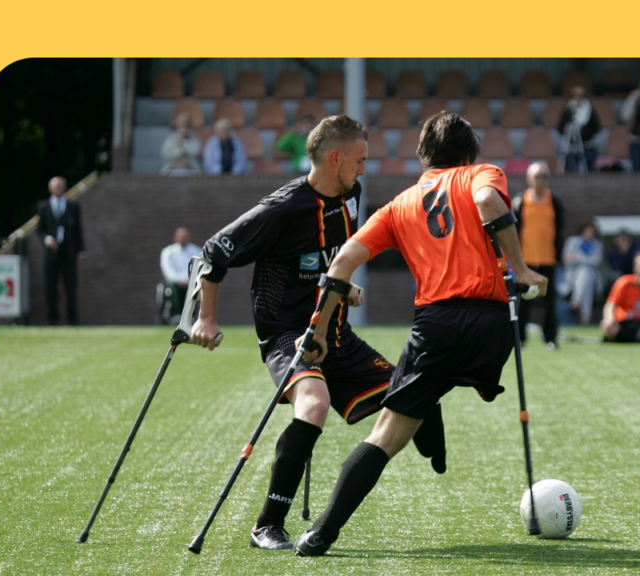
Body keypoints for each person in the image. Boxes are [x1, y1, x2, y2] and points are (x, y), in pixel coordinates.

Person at [290, 110, 547, 556]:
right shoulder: (481, 173)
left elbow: (343, 263)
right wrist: (521, 269)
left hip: (437, 327)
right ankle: (430, 412)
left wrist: (317, 328)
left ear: (425, 157)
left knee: (387, 434)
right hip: (490, 326)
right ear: (468, 153)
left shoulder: (399, 205)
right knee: (440, 381)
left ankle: (321, 534)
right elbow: (489, 202)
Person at [188, 115, 447, 551]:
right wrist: (205, 319)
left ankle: (430, 438)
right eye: (360, 160)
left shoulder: (351, 195)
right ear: (335, 158)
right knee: (314, 403)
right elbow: (213, 253)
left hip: (337, 331)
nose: (365, 168)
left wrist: (343, 287)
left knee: (417, 391)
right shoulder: (283, 208)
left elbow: (332, 259)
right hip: (288, 335)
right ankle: (267, 525)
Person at [511, 161, 564, 349]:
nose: (540, 180)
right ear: (529, 179)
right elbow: (514, 233)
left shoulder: (554, 202)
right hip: (526, 261)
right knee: (523, 302)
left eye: (544, 176)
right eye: (537, 176)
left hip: (548, 259)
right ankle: (519, 338)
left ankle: (550, 338)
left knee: (550, 302)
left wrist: (559, 256)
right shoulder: (519, 202)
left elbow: (559, 230)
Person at [36, 176, 85, 325]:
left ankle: (73, 321)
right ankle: (52, 321)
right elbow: (40, 230)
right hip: (51, 255)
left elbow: (78, 231)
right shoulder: (43, 206)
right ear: (50, 189)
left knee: (71, 287)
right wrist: (47, 240)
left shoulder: (73, 206)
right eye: (56, 186)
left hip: (69, 253)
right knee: (51, 287)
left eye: (61, 186)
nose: (59, 188)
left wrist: (81, 251)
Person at [562, 219, 603, 325]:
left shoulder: (597, 245)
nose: (591, 234)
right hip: (572, 276)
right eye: (589, 231)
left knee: (585, 272)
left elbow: (597, 261)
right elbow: (567, 259)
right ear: (583, 230)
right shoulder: (572, 241)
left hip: (592, 276)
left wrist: (577, 257)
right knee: (585, 275)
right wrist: (587, 259)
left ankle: (576, 301)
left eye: (593, 231)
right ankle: (586, 316)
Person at [159, 227, 202, 322]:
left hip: (190, 281)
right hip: (174, 282)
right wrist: (178, 280)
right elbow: (167, 269)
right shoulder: (168, 252)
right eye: (181, 236)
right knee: (175, 289)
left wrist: (188, 280)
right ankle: (178, 315)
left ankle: (190, 315)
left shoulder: (196, 251)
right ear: (176, 238)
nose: (183, 239)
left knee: (192, 289)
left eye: (185, 236)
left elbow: (198, 268)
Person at [558, 85, 601, 173]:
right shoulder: (568, 110)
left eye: (581, 94)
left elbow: (597, 127)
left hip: (587, 145)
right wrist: (570, 134)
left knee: (588, 169)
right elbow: (560, 127)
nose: (578, 97)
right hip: (571, 147)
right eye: (576, 94)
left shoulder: (589, 109)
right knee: (570, 170)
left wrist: (583, 133)